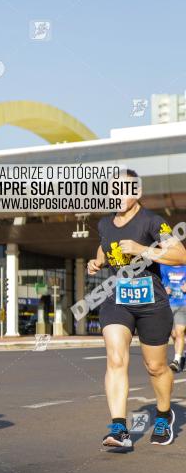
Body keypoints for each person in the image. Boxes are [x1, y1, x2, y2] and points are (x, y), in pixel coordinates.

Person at [87, 169, 186, 449]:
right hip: (118, 299)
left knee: (155, 367)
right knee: (116, 359)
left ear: (137, 193)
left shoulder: (153, 222)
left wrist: (143, 249)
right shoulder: (105, 224)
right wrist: (97, 263)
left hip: (152, 303)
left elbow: (180, 255)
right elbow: (104, 248)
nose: (117, 193)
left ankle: (164, 415)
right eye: (112, 189)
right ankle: (119, 429)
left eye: (124, 188)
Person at [161, 263, 186, 372]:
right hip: (169, 303)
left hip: (183, 304)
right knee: (174, 334)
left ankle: (176, 360)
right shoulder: (164, 266)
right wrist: (164, 290)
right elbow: (161, 282)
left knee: (180, 332)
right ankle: (181, 354)